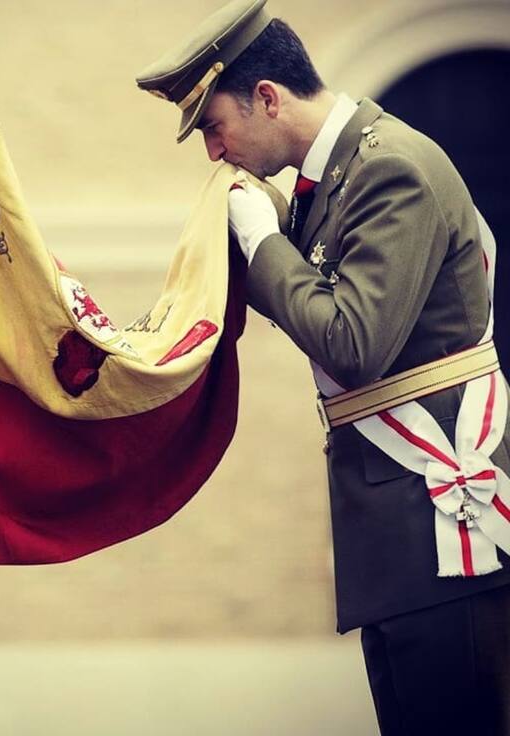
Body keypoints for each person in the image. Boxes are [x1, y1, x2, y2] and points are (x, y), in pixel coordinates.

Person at [136, 1, 510, 733]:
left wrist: (263, 243)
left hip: (443, 526)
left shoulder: (389, 168)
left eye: (214, 125)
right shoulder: (339, 176)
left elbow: (350, 343)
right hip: (403, 534)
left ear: (267, 97)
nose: (213, 151)